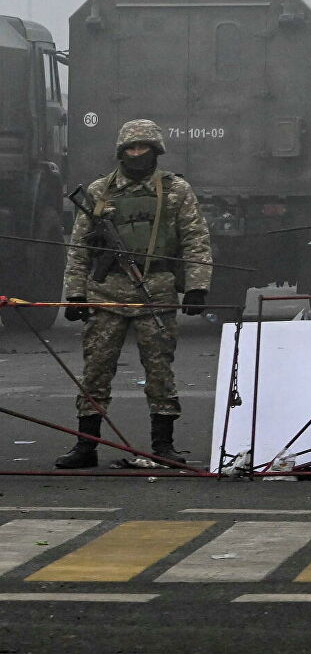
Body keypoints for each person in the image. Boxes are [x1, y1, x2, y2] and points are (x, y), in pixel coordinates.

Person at [55, 120, 212, 468]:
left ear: (156, 151)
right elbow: (79, 249)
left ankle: (163, 446)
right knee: (95, 371)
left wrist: (198, 287)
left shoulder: (176, 191)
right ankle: (86, 445)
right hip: (106, 292)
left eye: (144, 148)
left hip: (155, 291)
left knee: (159, 372)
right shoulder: (98, 191)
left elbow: (195, 241)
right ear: (121, 152)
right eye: (131, 148)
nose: (137, 154)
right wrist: (76, 295)